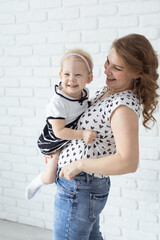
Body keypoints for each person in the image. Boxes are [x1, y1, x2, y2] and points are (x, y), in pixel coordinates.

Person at [51, 34, 159, 240]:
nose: (107, 70)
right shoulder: (108, 91)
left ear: (137, 73)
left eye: (117, 68)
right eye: (108, 61)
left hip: (80, 185)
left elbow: (128, 162)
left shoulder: (122, 106)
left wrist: (78, 165)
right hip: (81, 186)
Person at [25, 49, 97, 200]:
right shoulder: (58, 101)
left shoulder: (83, 93)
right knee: (51, 176)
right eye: (67, 74)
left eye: (78, 75)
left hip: (68, 136)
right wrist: (82, 134)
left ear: (89, 78)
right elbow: (59, 132)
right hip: (55, 140)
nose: (72, 79)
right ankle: (37, 182)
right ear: (60, 75)